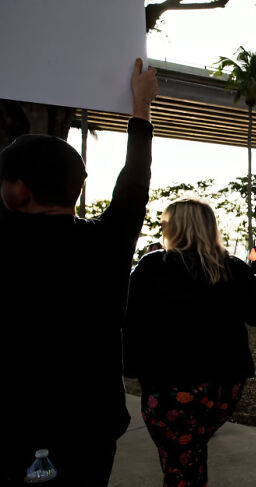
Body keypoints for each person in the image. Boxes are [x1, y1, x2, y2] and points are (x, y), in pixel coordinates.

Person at [0, 59, 158, 486]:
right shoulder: (107, 242)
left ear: (17, 190)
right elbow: (134, 183)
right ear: (79, 187)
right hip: (91, 428)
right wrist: (141, 103)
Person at [123, 198, 256, 487]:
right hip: (224, 386)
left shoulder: (152, 266)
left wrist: (132, 367)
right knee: (192, 450)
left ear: (175, 227)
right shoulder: (234, 268)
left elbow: (131, 323)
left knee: (179, 467)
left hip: (170, 386)